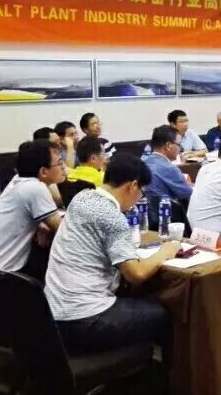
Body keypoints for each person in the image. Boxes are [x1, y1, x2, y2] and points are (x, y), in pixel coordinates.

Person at [45, 153, 179, 358]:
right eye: (142, 193)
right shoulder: (112, 216)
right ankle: (158, 375)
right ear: (133, 186)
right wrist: (165, 252)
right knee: (163, 315)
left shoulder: (81, 198)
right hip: (84, 320)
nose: (139, 199)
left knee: (135, 301)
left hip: (51, 315)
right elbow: (136, 274)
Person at [0, 140, 65, 275]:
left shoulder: (18, 180)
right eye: (60, 162)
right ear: (43, 171)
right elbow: (62, 229)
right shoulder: (35, 188)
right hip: (0, 276)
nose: (64, 167)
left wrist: (39, 225)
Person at [143, 125, 193, 201]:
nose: (180, 148)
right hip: (168, 207)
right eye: (179, 144)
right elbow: (189, 196)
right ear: (168, 146)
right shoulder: (169, 168)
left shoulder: (143, 163)